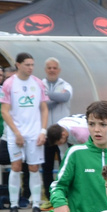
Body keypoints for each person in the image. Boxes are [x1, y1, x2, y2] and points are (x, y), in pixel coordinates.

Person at [1, 52, 49, 212]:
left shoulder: (38, 83)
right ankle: (14, 205)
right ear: (18, 64)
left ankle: (36, 205)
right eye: (27, 64)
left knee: (34, 167)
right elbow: (5, 111)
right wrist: (16, 133)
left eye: (32, 65)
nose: (30, 68)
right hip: (16, 133)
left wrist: (43, 130)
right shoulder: (9, 84)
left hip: (34, 133)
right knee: (16, 166)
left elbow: (44, 108)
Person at [41, 57, 73, 201]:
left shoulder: (65, 84)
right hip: (45, 132)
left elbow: (65, 97)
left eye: (54, 68)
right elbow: (41, 105)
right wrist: (53, 99)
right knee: (46, 166)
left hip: (62, 134)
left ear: (59, 70)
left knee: (63, 164)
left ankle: (64, 195)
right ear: (45, 69)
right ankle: (49, 197)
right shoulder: (39, 84)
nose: (52, 70)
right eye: (49, 68)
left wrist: (46, 97)